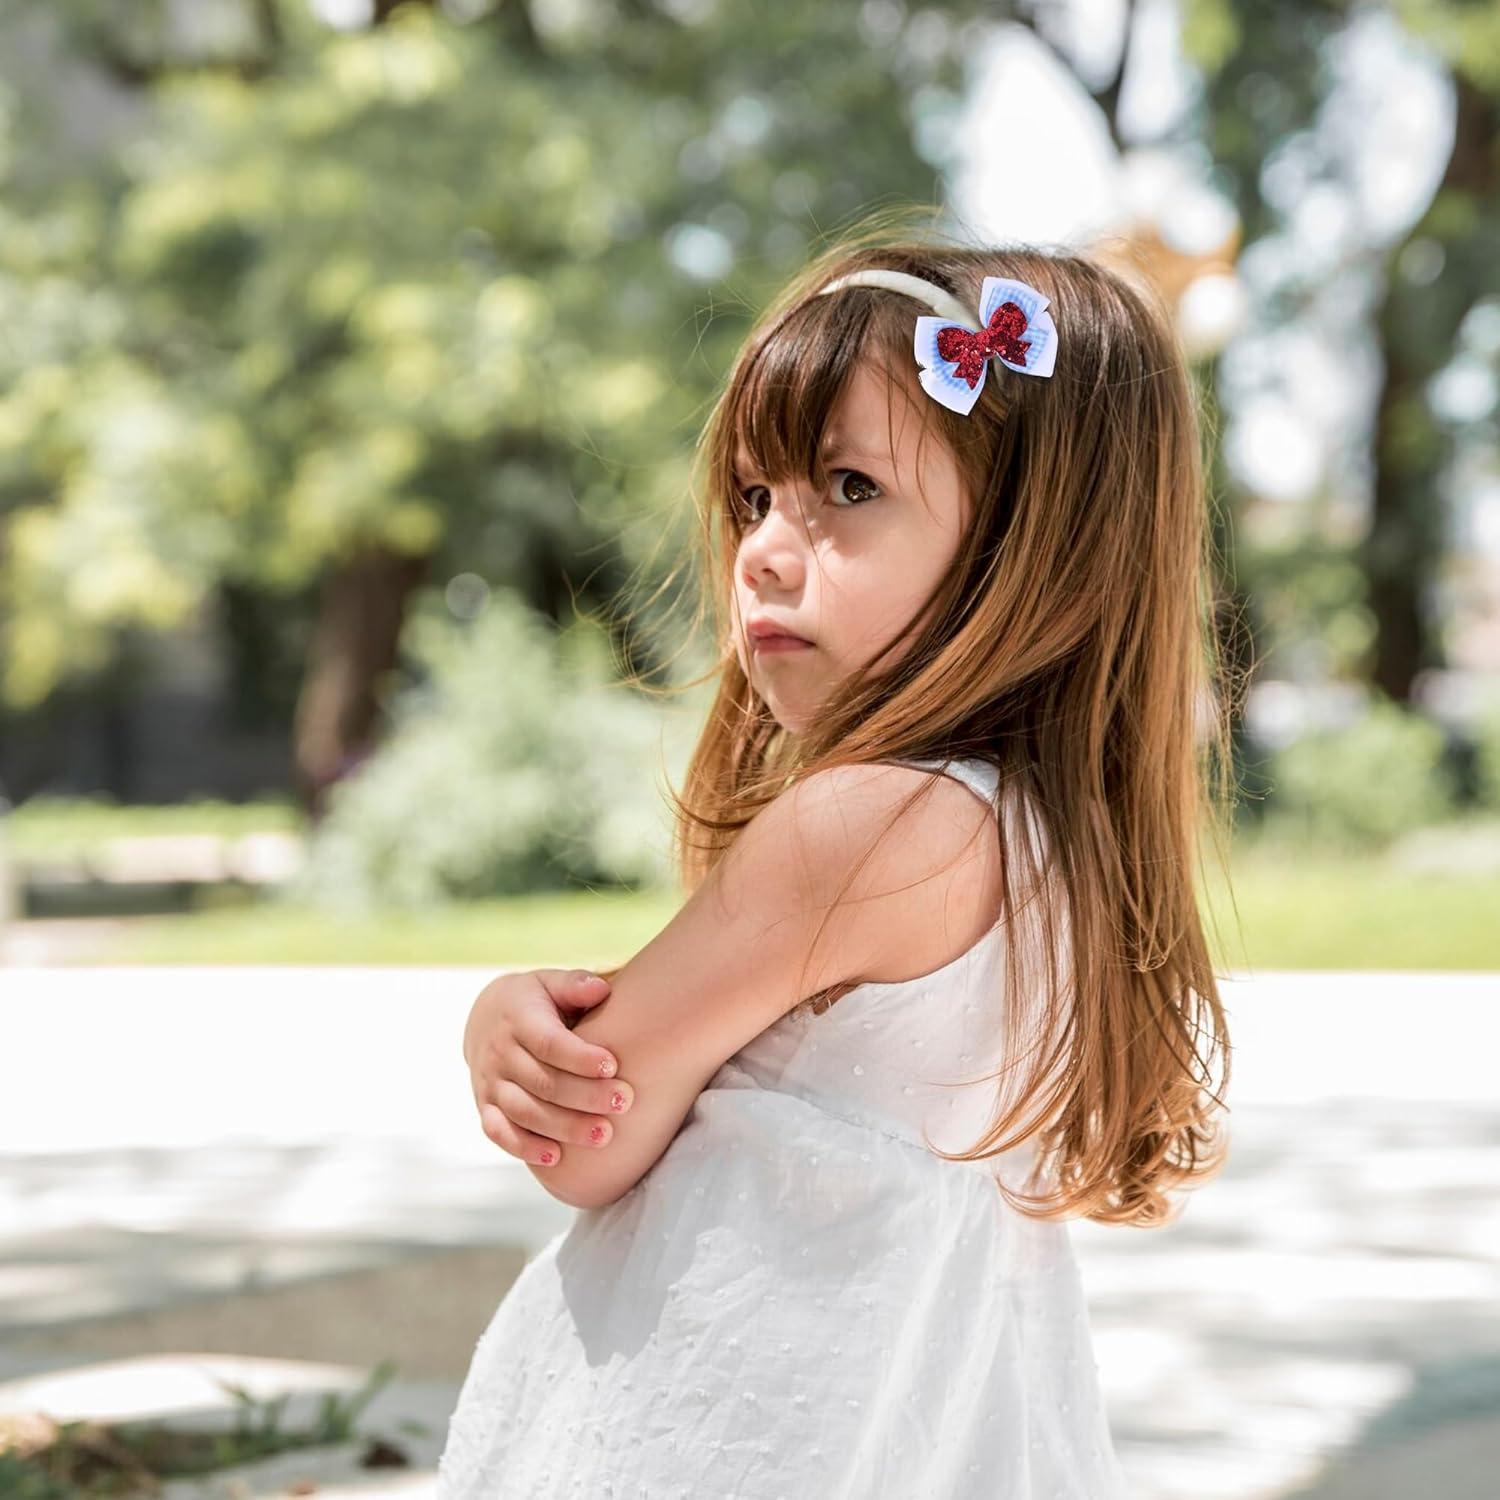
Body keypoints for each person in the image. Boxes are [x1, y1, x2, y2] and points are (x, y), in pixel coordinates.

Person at [437, 224, 1237, 1498]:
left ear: (1030, 552)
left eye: (847, 489)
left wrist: (507, 1027)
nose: (761, 544)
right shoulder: (1053, 850)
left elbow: (585, 1138)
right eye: (757, 496)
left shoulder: (863, 828)